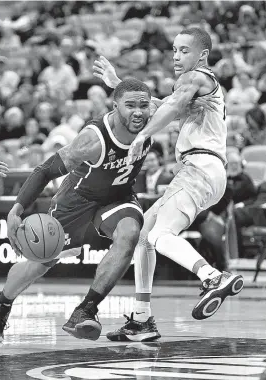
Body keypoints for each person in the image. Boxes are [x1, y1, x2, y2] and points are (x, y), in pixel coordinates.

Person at [93, 27, 244, 342]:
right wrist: (117, 83)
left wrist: (144, 135)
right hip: (205, 170)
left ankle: (213, 276)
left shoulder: (195, 77)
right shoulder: (194, 89)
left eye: (184, 50)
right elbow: (167, 105)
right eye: (174, 50)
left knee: (161, 234)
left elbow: (171, 109)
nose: (176, 56)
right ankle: (142, 319)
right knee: (144, 235)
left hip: (200, 167)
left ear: (202, 54)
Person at [0, 79, 154, 343]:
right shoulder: (93, 139)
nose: (138, 112)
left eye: (144, 105)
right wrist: (16, 210)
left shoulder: (155, 118)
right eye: (130, 105)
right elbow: (45, 170)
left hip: (118, 197)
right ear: (115, 105)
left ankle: (85, 310)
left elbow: (186, 101)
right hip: (77, 201)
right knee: (40, 263)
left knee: (130, 234)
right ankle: (1, 305)